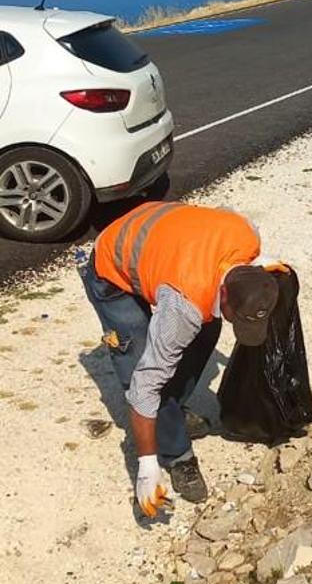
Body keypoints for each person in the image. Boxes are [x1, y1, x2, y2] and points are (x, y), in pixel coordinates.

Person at [79, 201, 289, 517]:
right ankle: (177, 454)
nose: (239, 327)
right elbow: (145, 387)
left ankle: (172, 411)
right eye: (239, 319)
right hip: (114, 263)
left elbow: (224, 213)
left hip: (156, 235)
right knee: (140, 362)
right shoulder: (184, 307)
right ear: (226, 296)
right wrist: (147, 465)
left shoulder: (246, 237)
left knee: (205, 333)